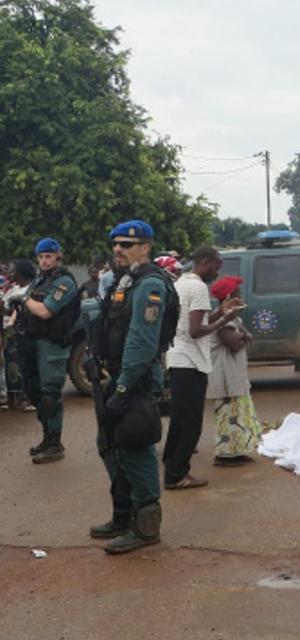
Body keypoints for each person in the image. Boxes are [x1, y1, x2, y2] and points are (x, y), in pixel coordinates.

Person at [89, 219, 177, 554]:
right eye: (115, 244)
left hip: (136, 379)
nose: (117, 250)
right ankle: (123, 514)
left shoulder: (150, 283)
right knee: (109, 444)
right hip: (119, 375)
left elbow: (142, 341)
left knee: (135, 447)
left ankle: (146, 526)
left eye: (125, 244)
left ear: (145, 247)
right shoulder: (128, 279)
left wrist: (124, 387)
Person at [163, 246, 242, 490]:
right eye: (216, 266)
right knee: (190, 422)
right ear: (205, 262)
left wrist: (220, 311)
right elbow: (196, 330)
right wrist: (225, 320)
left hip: (177, 358)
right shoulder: (198, 287)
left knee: (179, 418)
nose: (216, 273)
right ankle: (177, 474)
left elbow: (193, 321)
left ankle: (172, 466)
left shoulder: (180, 283)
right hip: (191, 361)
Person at [17, 238, 79, 463]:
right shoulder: (39, 281)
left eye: (48, 256)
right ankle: (48, 437)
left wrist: (23, 298)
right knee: (33, 390)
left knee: (50, 394)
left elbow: (45, 311)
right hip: (34, 342)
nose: (44, 261)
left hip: (53, 344)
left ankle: (54, 443)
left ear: (58, 256)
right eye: (41, 257)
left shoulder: (65, 282)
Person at [207, 275, 261, 467]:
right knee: (228, 415)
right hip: (225, 375)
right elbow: (234, 344)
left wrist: (243, 336)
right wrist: (243, 337)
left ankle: (237, 450)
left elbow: (243, 338)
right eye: (238, 294)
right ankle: (224, 454)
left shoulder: (231, 317)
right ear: (229, 297)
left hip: (233, 374)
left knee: (237, 414)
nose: (241, 297)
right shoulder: (223, 318)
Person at [3, 260, 35, 411]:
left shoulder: (32, 289)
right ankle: (11, 399)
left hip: (23, 331)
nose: (10, 273)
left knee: (23, 364)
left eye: (12, 270)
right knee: (10, 365)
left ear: (21, 272)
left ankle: (26, 398)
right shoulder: (13, 289)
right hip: (8, 332)